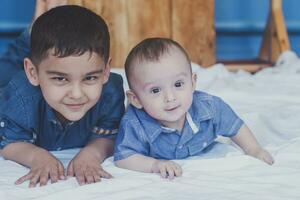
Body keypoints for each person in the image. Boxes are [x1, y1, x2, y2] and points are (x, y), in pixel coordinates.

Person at [0, 4, 125, 187]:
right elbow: (9, 143)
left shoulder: (110, 92)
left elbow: (110, 135)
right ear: (33, 73)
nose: (76, 94)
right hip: (9, 84)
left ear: (106, 70)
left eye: (90, 77)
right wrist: (37, 157)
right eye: (60, 78)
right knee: (5, 69)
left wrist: (92, 153)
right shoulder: (20, 97)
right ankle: (31, 31)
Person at [114, 38, 274, 179]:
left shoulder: (209, 108)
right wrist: (154, 165)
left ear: (193, 82)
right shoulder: (134, 124)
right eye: (155, 90)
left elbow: (235, 126)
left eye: (178, 84)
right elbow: (124, 157)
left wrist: (254, 149)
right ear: (135, 99)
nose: (170, 97)